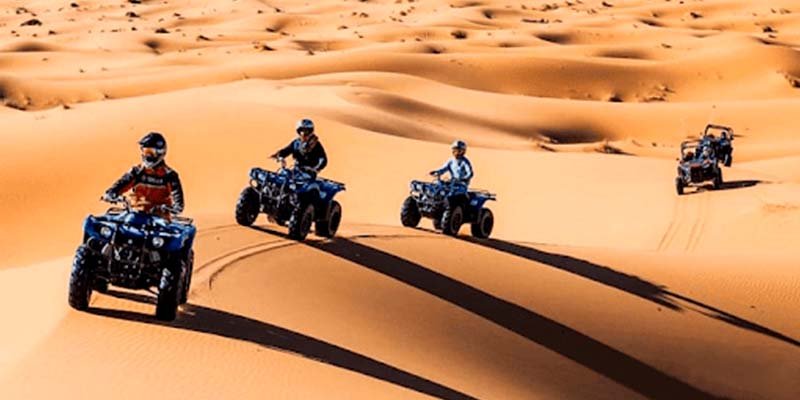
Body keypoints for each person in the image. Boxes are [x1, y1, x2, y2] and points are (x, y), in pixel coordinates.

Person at [102, 132, 184, 216]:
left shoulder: (170, 176)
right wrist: (111, 193)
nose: (147, 155)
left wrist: (168, 208)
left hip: (158, 219)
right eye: (145, 151)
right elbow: (121, 183)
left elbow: (178, 205)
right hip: (135, 214)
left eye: (150, 152)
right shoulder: (136, 172)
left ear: (160, 152)